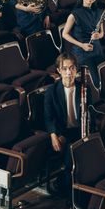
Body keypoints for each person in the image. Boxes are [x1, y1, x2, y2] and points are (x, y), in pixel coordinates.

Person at [44, 52, 89, 195]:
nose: (69, 73)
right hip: (63, 132)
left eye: (72, 68)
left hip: (80, 130)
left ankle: (81, 189)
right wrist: (53, 135)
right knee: (72, 160)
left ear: (76, 69)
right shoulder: (51, 91)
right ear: (59, 70)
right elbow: (48, 117)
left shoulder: (84, 88)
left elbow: (91, 115)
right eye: (65, 69)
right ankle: (70, 194)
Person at [61, 0, 105, 88]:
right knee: (95, 81)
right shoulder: (74, 14)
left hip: (97, 49)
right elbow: (64, 34)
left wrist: (98, 36)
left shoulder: (99, 12)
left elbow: (102, 33)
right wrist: (82, 45)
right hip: (82, 53)